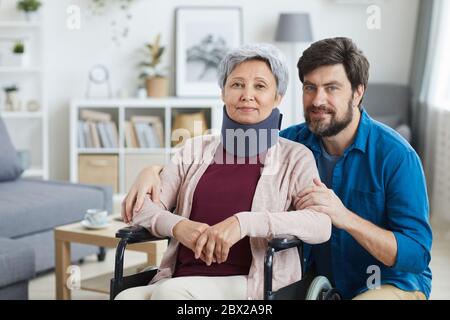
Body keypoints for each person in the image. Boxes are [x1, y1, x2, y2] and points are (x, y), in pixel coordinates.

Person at [123, 37, 433, 300]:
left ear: (358, 92)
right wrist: (152, 170)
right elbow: (241, 151)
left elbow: (416, 255)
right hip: (318, 279)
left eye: (332, 88)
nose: (318, 99)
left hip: (387, 282)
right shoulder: (291, 141)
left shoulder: (396, 157)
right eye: (310, 87)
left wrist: (345, 218)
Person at [116, 43, 332, 300]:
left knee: (169, 293)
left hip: (251, 285)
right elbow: (142, 208)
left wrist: (244, 222)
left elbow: (320, 224)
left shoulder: (294, 156)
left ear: (278, 97)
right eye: (237, 84)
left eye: (260, 86)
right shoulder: (194, 150)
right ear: (223, 92)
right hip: (181, 277)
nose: (246, 95)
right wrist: (179, 226)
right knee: (125, 297)